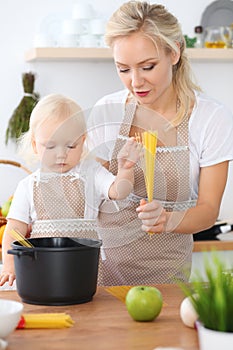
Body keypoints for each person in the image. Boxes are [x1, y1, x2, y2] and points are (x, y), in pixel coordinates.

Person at [87, 1, 233, 285]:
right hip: (100, 273)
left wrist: (168, 219)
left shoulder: (210, 117)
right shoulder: (107, 110)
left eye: (147, 66)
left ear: (174, 52)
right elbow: (91, 186)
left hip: (170, 278)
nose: (135, 81)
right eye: (123, 69)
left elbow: (207, 210)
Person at [0, 93, 140, 287]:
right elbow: (14, 229)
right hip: (42, 266)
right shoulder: (28, 185)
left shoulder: (92, 173)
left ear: (82, 141)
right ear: (34, 145)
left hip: (84, 265)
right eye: (50, 146)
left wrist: (126, 169)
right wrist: (9, 265)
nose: (61, 154)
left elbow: (118, 191)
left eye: (70, 145)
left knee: (87, 306)